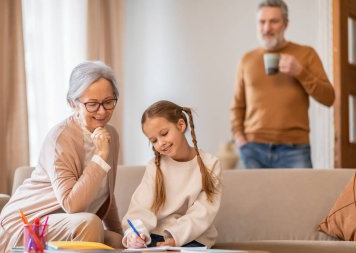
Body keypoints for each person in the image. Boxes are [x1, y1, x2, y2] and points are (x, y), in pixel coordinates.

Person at [0, 61, 123, 252]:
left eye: (108, 102)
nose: (102, 111)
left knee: (116, 241)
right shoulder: (60, 138)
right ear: (72, 103)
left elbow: (105, 192)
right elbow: (72, 205)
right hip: (28, 226)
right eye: (92, 104)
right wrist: (100, 157)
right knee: (90, 223)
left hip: (68, 226)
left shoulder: (111, 135)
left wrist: (124, 238)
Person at [231, 0, 335, 169]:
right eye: (262, 22)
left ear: (286, 24)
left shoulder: (306, 54)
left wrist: (300, 72)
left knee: (302, 196)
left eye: (274, 21)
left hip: (295, 150)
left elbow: (329, 98)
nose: (267, 28)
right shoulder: (246, 59)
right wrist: (239, 137)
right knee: (257, 197)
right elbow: (237, 105)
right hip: (253, 149)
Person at [121, 100, 222, 249]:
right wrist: (134, 235)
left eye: (164, 134)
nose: (160, 143)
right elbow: (141, 209)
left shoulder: (210, 164)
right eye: (154, 140)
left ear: (181, 125)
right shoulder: (155, 167)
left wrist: (176, 237)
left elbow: (203, 213)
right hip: (156, 238)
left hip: (195, 239)